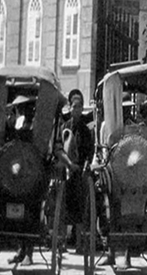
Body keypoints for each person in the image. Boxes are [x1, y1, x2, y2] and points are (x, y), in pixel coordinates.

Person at [56, 88, 94, 253]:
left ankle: (79, 244)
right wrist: (68, 164)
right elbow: (59, 150)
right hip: (65, 171)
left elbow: (89, 152)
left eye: (79, 107)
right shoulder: (64, 127)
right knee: (63, 207)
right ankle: (62, 243)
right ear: (70, 108)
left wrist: (83, 167)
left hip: (79, 173)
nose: (76, 109)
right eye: (74, 106)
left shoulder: (86, 131)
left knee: (80, 209)